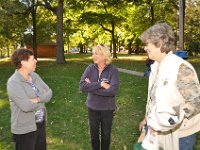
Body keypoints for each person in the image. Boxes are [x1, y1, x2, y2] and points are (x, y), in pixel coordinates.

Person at [138, 22, 200, 150]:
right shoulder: (156, 66)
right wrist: (148, 120)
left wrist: (167, 121)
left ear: (159, 44)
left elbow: (195, 103)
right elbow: (154, 98)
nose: (145, 48)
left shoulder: (180, 68)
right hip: (160, 132)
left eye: (147, 44)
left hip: (181, 137)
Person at [7, 48, 52, 150]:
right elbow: (26, 106)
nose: (36, 61)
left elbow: (49, 93)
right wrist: (42, 99)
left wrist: (37, 100)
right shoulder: (13, 82)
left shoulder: (34, 76)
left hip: (40, 124)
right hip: (25, 129)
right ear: (23, 63)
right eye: (33, 59)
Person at [79, 44, 119, 150]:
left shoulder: (113, 70)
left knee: (106, 135)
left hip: (107, 109)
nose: (93, 56)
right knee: (94, 135)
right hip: (92, 108)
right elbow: (82, 86)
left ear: (104, 55)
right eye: (93, 54)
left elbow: (112, 91)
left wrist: (91, 86)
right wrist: (101, 84)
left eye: (96, 54)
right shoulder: (90, 68)